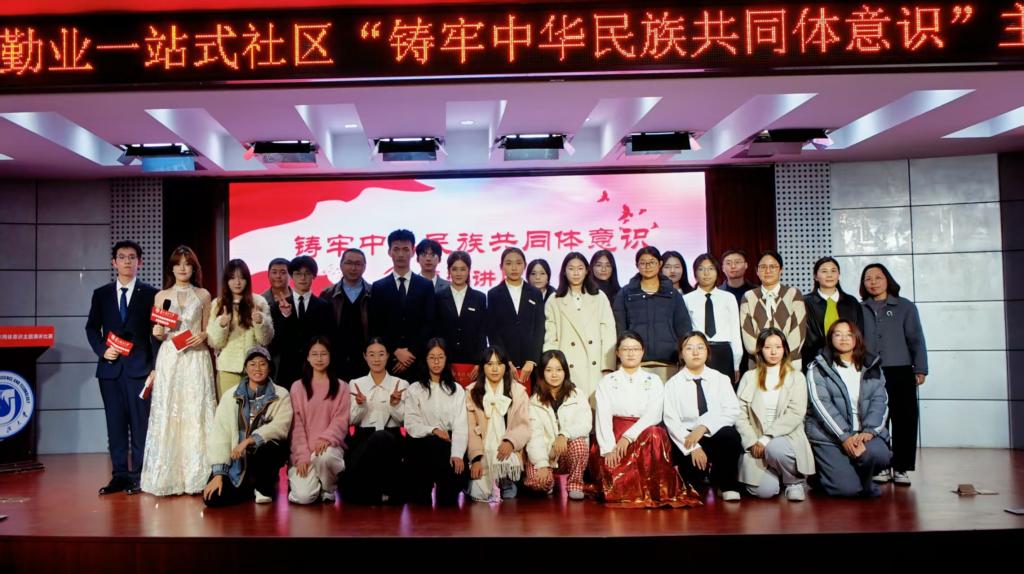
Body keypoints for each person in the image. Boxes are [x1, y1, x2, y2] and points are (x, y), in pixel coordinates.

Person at [592, 331, 700, 508]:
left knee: (655, 433)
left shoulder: (654, 380)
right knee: (613, 475)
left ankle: (657, 491)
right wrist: (608, 448)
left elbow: (654, 414)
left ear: (642, 352)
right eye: (625, 349)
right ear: (617, 353)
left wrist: (629, 437)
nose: (631, 353)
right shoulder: (607, 381)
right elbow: (602, 417)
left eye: (635, 349)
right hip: (614, 437)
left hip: (644, 434)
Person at [142, 245, 217, 496]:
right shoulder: (162, 296)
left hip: (196, 357)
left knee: (196, 411)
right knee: (169, 411)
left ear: (194, 268)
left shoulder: (203, 295)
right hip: (170, 357)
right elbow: (159, 332)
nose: (183, 268)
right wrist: (157, 332)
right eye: (178, 264)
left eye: (188, 264)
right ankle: (167, 476)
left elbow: (208, 330)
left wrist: (203, 335)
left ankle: (198, 474)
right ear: (171, 268)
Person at [85, 240, 158, 495]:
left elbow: (156, 335)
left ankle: (139, 475)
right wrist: (102, 350)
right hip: (110, 370)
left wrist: (155, 367)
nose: (127, 261)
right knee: (114, 425)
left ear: (140, 262)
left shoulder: (151, 294)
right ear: (113, 262)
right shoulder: (101, 294)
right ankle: (119, 475)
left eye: (132, 257)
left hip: (140, 370)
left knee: (140, 426)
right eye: (122, 257)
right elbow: (91, 328)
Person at [805, 320, 892, 497]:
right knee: (846, 490)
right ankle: (823, 476)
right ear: (830, 339)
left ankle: (862, 480)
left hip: (862, 433)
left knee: (880, 455)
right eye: (838, 334)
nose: (843, 338)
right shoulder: (818, 367)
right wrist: (844, 436)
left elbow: (880, 401)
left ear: (857, 338)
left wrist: (870, 431)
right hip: (830, 436)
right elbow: (821, 404)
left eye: (849, 334)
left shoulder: (871, 365)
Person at [860, 263, 927, 486]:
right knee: (876, 419)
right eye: (868, 279)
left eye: (878, 278)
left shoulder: (905, 307)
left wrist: (920, 368)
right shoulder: (860, 309)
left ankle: (901, 468)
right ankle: (881, 466)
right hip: (871, 371)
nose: (873, 282)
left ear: (887, 280)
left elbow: (916, 339)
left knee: (905, 419)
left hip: (901, 369)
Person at [203, 346, 292, 507]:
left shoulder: (281, 394)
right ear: (245, 368)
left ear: (270, 367)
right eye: (252, 364)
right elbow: (220, 434)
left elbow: (280, 427)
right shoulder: (230, 396)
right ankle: (249, 485)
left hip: (263, 454)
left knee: (269, 448)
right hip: (237, 460)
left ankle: (264, 485)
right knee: (213, 499)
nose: (257, 368)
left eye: (262, 364)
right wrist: (218, 473)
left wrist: (250, 440)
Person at [735, 328, 814, 501]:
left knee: (775, 448)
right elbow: (740, 414)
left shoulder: (797, 377)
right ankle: (776, 473)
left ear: (784, 349)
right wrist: (751, 441)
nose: (773, 352)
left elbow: (795, 413)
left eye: (778, 347)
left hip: (786, 436)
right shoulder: (749, 377)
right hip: (756, 439)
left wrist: (767, 439)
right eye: (767, 347)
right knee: (764, 492)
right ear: (760, 350)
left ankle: (794, 482)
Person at [664, 331, 744, 502]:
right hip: (687, 439)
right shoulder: (672, 385)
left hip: (714, 434)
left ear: (707, 351)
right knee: (695, 488)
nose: (695, 352)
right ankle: (702, 475)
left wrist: (704, 427)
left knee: (730, 436)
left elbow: (732, 410)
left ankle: (727, 484)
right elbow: (671, 421)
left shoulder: (721, 379)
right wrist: (693, 448)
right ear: (681, 354)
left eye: (700, 347)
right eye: (689, 348)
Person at [543, 252, 616, 403]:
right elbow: (550, 337)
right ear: (564, 271)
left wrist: (608, 366)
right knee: (570, 408)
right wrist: (551, 367)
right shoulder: (554, 299)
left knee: (596, 408)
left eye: (580, 268)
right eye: (571, 268)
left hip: (595, 366)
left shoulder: (599, 297)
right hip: (566, 366)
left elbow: (608, 333)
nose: (576, 273)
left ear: (587, 271)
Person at [343, 337, 409, 504]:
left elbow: (406, 421)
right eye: (371, 354)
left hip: (393, 439)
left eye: (381, 354)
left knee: (383, 437)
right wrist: (361, 405)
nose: (376, 359)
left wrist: (394, 405)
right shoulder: (355, 384)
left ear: (388, 356)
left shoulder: (401, 384)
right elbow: (351, 420)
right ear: (365, 356)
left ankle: (381, 490)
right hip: (363, 439)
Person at [612, 246, 693, 382]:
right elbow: (620, 327)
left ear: (660, 264)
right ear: (637, 265)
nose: (647, 266)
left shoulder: (672, 294)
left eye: (652, 262)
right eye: (643, 263)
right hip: (634, 363)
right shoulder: (626, 293)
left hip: (668, 362)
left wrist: (684, 356)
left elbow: (683, 328)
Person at [403, 338, 468, 506]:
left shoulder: (457, 390)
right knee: (419, 501)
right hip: (421, 445)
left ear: (446, 359)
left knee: (449, 498)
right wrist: (433, 430)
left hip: (449, 445)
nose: (436, 362)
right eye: (432, 357)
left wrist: (457, 454)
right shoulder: (414, 389)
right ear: (425, 360)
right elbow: (411, 424)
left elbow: (461, 425)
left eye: (440, 357)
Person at [287, 337, 350, 504]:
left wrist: (326, 438)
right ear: (308, 357)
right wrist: (302, 456)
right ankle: (309, 484)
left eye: (323, 354)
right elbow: (296, 426)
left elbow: (341, 420)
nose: (319, 358)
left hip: (328, 448)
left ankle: (328, 488)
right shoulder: (297, 387)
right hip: (305, 452)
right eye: (314, 354)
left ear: (330, 356)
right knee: (304, 497)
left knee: (325, 457)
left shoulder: (342, 387)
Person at [523, 350, 591, 500]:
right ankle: (550, 482)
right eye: (549, 370)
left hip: (567, 451)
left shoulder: (577, 394)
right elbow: (534, 436)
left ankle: (575, 485)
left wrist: (564, 434)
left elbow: (585, 424)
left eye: (559, 370)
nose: (554, 375)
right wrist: (542, 463)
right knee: (538, 484)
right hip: (547, 454)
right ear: (542, 373)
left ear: (565, 371)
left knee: (579, 444)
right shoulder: (534, 401)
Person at [466, 345, 530, 502]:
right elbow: (470, 429)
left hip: (507, 448)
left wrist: (511, 442)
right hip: (482, 449)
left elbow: (524, 425)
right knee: (478, 494)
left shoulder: (518, 392)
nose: (495, 369)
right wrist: (475, 459)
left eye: (499, 364)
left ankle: (506, 479)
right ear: (482, 367)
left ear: (506, 366)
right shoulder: (471, 392)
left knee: (505, 456)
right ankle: (484, 474)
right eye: (490, 364)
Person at [368, 229, 436, 376]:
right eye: (396, 249)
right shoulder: (379, 287)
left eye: (405, 249)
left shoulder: (425, 285)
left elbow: (429, 323)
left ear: (412, 252)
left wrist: (411, 353)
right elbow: (376, 325)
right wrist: (395, 350)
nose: (400, 254)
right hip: (388, 361)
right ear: (389, 252)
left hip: (418, 361)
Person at [207, 259, 274, 397]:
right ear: (226, 281)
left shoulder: (259, 302)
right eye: (232, 278)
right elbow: (214, 342)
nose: (237, 282)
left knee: (255, 408)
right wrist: (221, 325)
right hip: (228, 368)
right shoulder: (218, 304)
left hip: (255, 368)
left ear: (247, 280)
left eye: (241, 278)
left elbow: (265, 340)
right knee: (229, 408)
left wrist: (260, 322)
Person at [269, 256, 332, 387]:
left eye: (307, 273)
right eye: (298, 274)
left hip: (315, 369)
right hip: (287, 371)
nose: (302, 278)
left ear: (314, 276)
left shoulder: (324, 306)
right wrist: (286, 316)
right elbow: (275, 343)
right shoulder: (278, 306)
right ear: (291, 276)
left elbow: (327, 340)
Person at [486, 247, 545, 388]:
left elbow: (539, 328)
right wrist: (506, 361)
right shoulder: (493, 294)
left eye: (518, 263)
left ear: (525, 265)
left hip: (530, 365)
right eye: (508, 263)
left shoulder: (535, 293)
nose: (514, 268)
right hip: (505, 363)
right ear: (501, 267)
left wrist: (531, 360)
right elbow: (493, 331)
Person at [739, 250, 807, 371]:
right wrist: (765, 357)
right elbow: (748, 336)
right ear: (757, 271)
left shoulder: (793, 294)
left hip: (790, 363)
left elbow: (798, 332)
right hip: (758, 365)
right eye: (763, 267)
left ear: (781, 270)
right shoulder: (748, 297)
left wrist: (781, 357)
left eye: (773, 267)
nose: (768, 271)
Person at [683, 253, 742, 383]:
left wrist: (736, 364)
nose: (706, 273)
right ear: (695, 273)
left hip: (723, 351)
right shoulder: (687, 299)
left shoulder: (728, 298)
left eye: (711, 269)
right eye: (701, 269)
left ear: (717, 272)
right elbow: (685, 333)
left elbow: (735, 332)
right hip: (698, 351)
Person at [433, 250, 487, 387]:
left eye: (463, 269)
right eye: (454, 269)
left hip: (472, 363)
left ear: (469, 270)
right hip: (446, 362)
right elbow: (436, 332)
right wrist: (442, 361)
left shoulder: (479, 298)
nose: (458, 273)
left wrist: (479, 362)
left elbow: (482, 332)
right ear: (449, 270)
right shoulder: (439, 297)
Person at [802, 257, 865, 372]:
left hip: (849, 362)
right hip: (816, 362)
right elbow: (807, 336)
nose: (829, 275)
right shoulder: (805, 302)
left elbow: (859, 332)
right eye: (824, 271)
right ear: (815, 276)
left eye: (833, 271)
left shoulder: (851, 302)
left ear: (839, 275)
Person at [319, 248, 371, 382]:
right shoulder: (327, 295)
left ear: (364, 267)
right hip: (335, 361)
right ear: (341, 265)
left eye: (358, 264)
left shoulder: (374, 293)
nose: (353, 268)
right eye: (349, 263)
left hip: (367, 361)